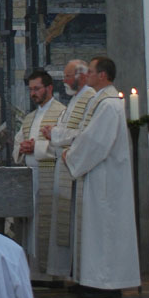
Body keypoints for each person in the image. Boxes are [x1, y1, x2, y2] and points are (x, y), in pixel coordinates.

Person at [62, 55, 141, 298]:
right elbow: (88, 135)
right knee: (92, 231)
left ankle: (105, 283)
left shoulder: (109, 104)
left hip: (105, 179)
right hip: (95, 175)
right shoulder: (99, 100)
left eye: (92, 71)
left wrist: (71, 155)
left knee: (103, 230)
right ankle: (89, 278)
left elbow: (95, 141)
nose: (88, 76)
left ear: (103, 75)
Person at [41, 58, 94, 278]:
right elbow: (67, 130)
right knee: (66, 225)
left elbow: (84, 135)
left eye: (68, 76)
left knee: (78, 224)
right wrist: (55, 133)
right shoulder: (74, 101)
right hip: (65, 166)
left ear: (81, 76)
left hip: (78, 173)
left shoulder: (90, 99)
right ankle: (71, 273)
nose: (65, 80)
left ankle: (80, 273)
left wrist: (54, 134)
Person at [12, 68, 64, 276]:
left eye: (37, 88)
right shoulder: (30, 118)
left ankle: (50, 273)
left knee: (46, 225)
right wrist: (22, 148)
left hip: (49, 175)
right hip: (29, 178)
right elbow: (18, 142)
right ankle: (32, 272)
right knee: (31, 226)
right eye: (30, 89)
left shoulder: (61, 113)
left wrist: (37, 148)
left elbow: (64, 145)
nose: (33, 93)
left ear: (49, 88)